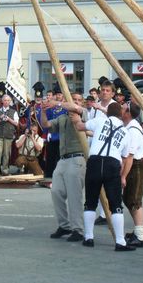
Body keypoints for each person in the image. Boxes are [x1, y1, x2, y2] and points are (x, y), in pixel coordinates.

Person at [71, 102, 136, 251]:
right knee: (116, 205)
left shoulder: (100, 121)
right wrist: (122, 176)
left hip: (94, 162)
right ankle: (120, 242)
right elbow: (125, 157)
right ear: (120, 114)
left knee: (90, 202)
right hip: (112, 164)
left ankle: (88, 238)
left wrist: (76, 118)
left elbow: (80, 127)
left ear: (108, 113)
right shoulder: (126, 132)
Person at [41, 92, 87, 242]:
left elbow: (77, 109)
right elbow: (46, 125)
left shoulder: (84, 114)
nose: (76, 102)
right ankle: (64, 225)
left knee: (75, 196)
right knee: (56, 191)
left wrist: (57, 103)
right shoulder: (62, 118)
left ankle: (78, 229)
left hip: (77, 158)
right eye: (74, 99)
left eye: (79, 100)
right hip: (63, 159)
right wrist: (43, 110)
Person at [121, 101, 143, 247]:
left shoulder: (132, 130)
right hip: (135, 164)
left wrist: (123, 176)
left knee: (134, 200)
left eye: (123, 109)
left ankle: (140, 236)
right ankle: (141, 229)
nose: (120, 110)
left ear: (128, 113)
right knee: (128, 199)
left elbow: (130, 156)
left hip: (138, 165)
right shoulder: (129, 126)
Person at [44, 83, 67, 178]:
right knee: (50, 157)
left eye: (60, 94)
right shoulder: (51, 108)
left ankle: (59, 175)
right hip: (52, 135)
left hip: (62, 135)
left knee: (60, 157)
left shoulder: (66, 107)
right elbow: (46, 121)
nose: (59, 96)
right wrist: (46, 134)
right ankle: (49, 175)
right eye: (57, 94)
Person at [0, 94, 18, 177]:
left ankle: (5, 170)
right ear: (2, 101)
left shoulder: (13, 112)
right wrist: (0, 119)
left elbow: (16, 123)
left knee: (6, 154)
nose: (6, 102)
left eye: (8, 100)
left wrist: (8, 119)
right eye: (5, 100)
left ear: (10, 102)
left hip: (8, 135)